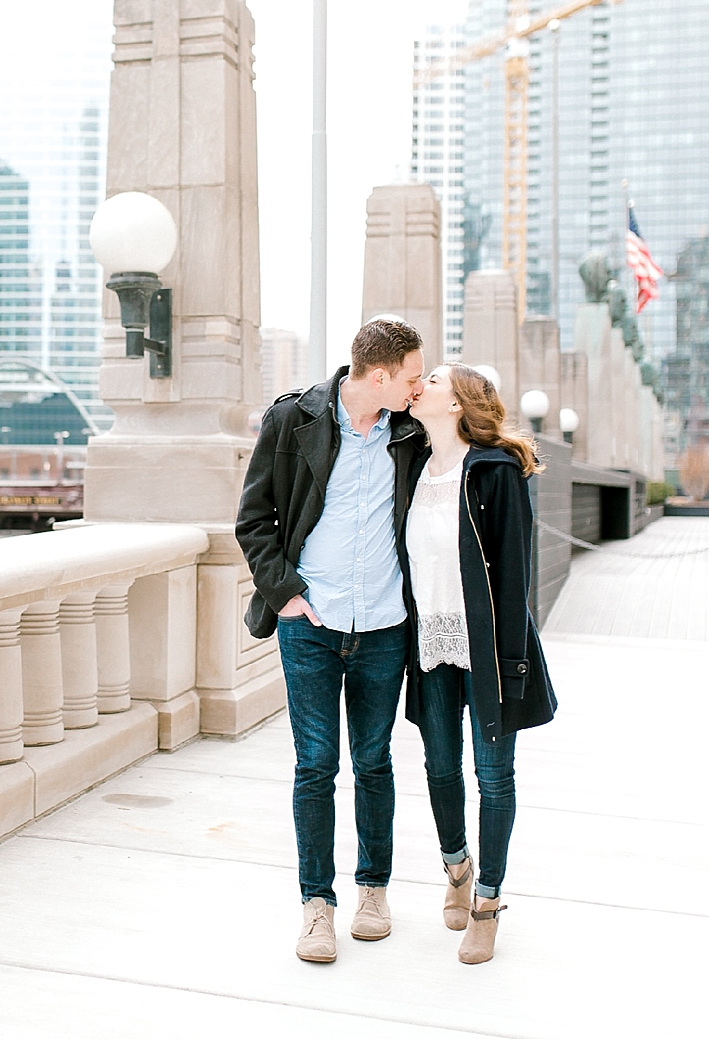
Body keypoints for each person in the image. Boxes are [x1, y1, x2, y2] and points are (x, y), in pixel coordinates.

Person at [236, 318, 427, 963]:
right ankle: (316, 906)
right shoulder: (295, 421)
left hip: (383, 627)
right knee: (316, 765)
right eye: (411, 377)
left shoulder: (411, 433)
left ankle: (373, 890)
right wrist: (285, 593)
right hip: (310, 626)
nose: (419, 387)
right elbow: (253, 518)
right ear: (379, 376)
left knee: (373, 762)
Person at [398, 362, 556, 964]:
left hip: (488, 651)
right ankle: (457, 868)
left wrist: (512, 665)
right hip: (431, 646)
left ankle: (487, 903)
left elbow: (515, 575)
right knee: (440, 769)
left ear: (458, 403)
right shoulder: (410, 465)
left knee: (494, 777)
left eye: (433, 379)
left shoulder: (495, 472)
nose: (423, 386)